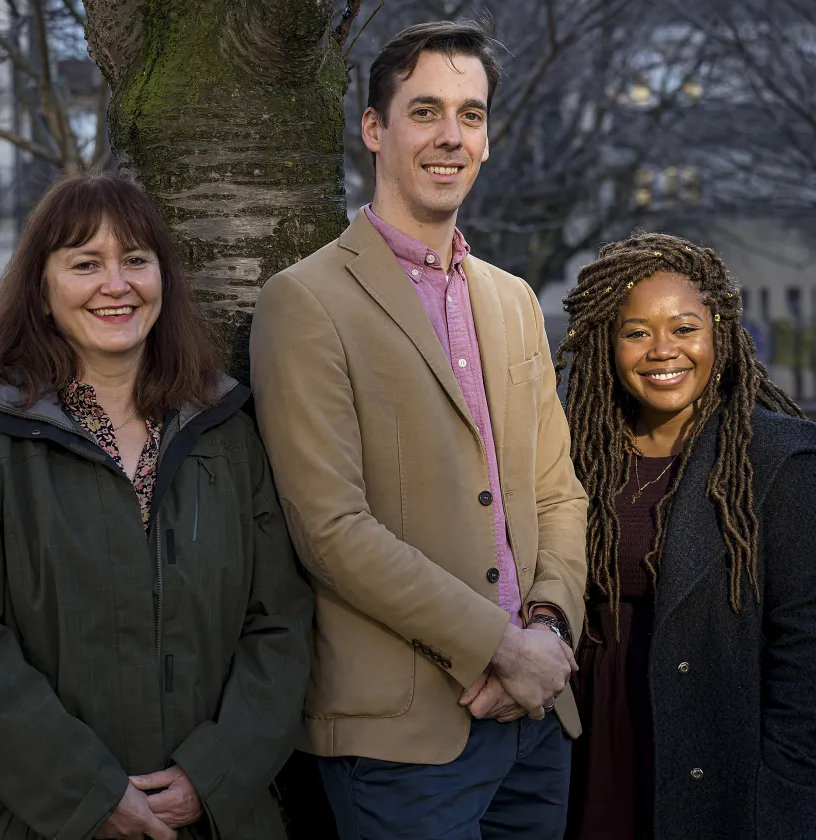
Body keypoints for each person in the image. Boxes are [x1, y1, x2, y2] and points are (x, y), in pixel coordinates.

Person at [249, 19, 588, 840]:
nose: (451, 136)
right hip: (402, 738)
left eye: (470, 115)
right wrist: (498, 649)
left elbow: (557, 492)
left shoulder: (512, 300)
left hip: (535, 719)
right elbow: (331, 529)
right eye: (426, 110)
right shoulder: (306, 302)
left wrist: (545, 631)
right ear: (375, 128)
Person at [0, 173, 313, 840]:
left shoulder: (226, 430)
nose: (115, 284)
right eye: (84, 264)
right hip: (32, 817)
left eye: (134, 260)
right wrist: (89, 793)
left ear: (163, 279)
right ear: (42, 290)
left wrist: (210, 776)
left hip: (212, 819)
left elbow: (281, 623)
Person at [556, 233, 816, 840]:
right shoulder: (572, 453)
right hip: (589, 746)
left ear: (719, 334)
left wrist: (786, 782)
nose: (662, 351)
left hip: (726, 762)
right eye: (637, 331)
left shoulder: (776, 458)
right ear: (607, 345)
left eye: (684, 328)